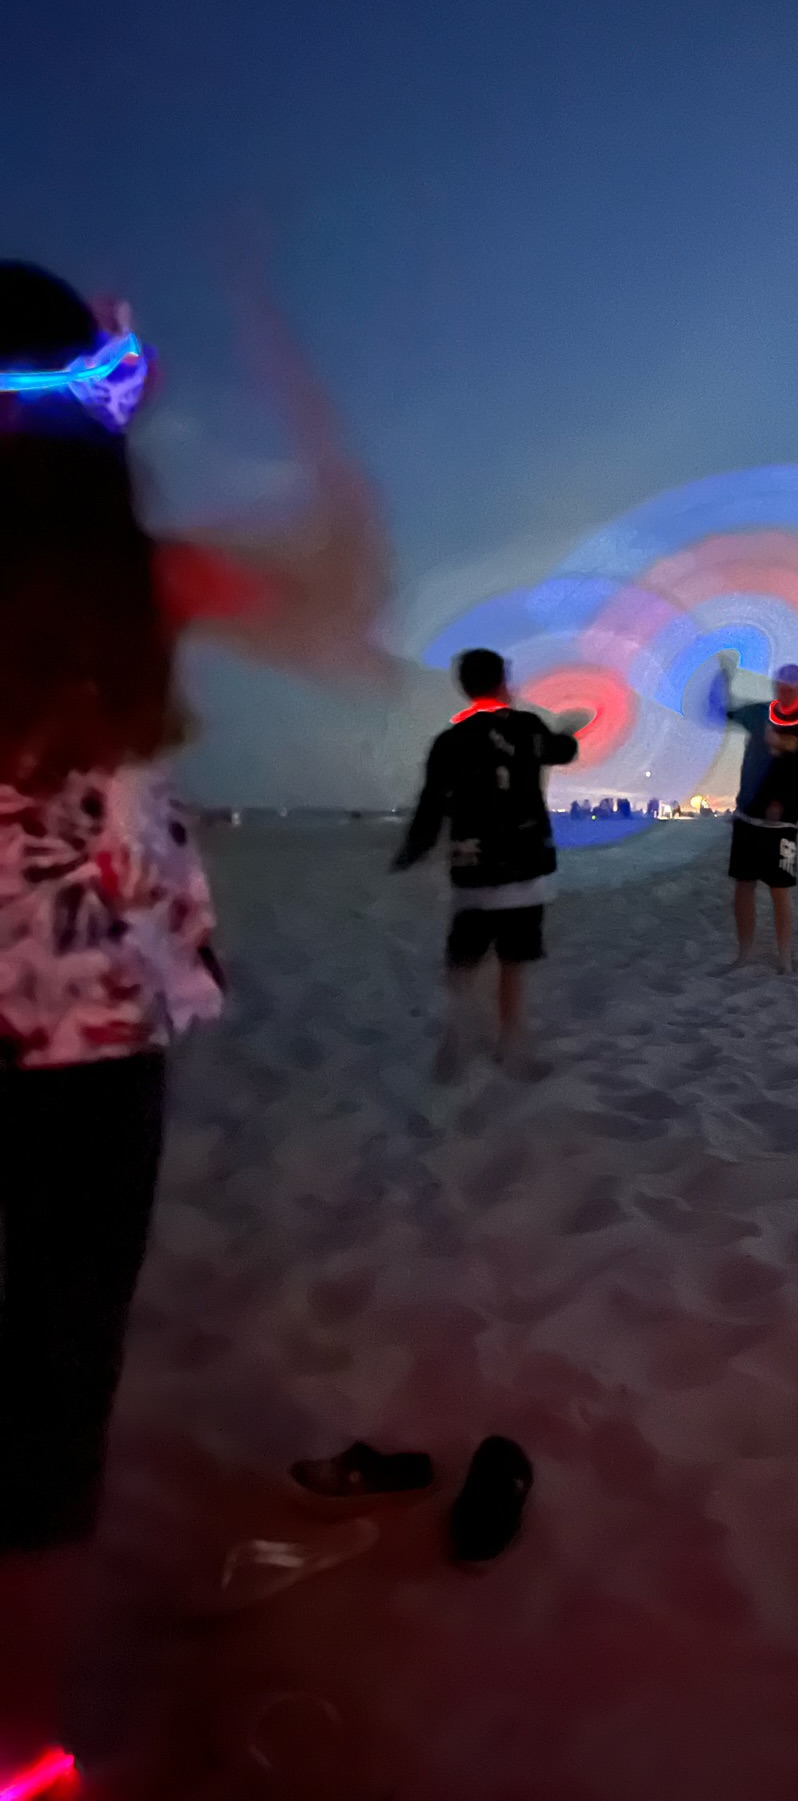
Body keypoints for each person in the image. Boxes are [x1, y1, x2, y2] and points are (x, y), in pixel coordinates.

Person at [0, 260, 390, 1772]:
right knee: (53, 1377)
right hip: (89, 1040)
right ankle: (24, 1743)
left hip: (89, 1036)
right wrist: (270, 347)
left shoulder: (130, 577)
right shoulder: (139, 582)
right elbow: (342, 583)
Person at [392, 647, 587, 1078]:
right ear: (503, 681)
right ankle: (509, 1046)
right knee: (513, 964)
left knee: (464, 961)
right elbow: (563, 750)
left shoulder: (449, 742)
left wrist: (413, 849)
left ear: (465, 687)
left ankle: (455, 1039)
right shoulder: (528, 728)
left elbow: (431, 805)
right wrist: (569, 731)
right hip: (525, 868)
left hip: (472, 869)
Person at [717, 657, 798, 974]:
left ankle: (785, 958)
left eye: (792, 687)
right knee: (744, 887)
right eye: (781, 685)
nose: (786, 691)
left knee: (780, 890)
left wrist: (784, 801)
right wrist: (721, 682)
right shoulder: (760, 713)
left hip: (782, 825)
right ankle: (745, 952)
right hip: (747, 819)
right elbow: (726, 712)